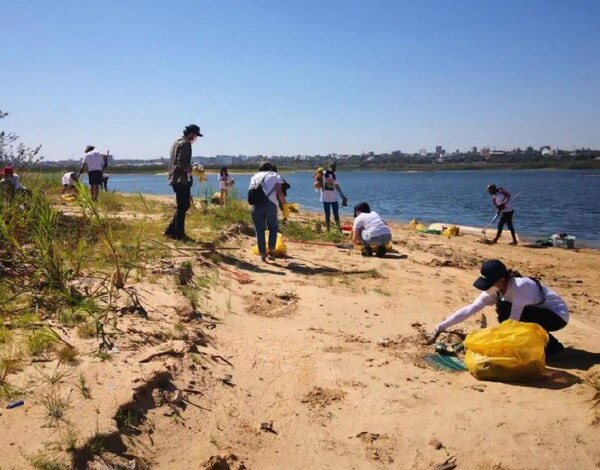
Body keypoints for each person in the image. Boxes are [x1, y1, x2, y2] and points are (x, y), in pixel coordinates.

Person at [429, 259, 569, 357]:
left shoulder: (521, 287)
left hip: (556, 316)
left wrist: (492, 344)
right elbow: (471, 309)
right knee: (503, 309)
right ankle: (540, 343)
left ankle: (553, 347)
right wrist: (441, 326)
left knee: (507, 312)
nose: (487, 286)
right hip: (534, 313)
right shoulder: (495, 290)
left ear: (501, 280)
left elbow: (513, 323)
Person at [165, 124, 203, 241]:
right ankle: (179, 234)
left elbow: (178, 161)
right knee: (183, 206)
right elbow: (181, 163)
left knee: (182, 206)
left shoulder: (176, 141)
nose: (195, 138)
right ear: (191, 134)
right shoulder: (185, 144)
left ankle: (170, 231)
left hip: (174, 178)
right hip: (181, 180)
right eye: (196, 135)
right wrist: (194, 170)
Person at [248, 162, 286, 262]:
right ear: (270, 168)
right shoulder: (275, 175)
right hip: (270, 205)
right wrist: (285, 206)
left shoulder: (254, 177)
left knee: (259, 229)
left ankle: (263, 254)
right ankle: (272, 251)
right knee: (273, 227)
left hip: (255, 205)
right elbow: (280, 193)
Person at [319, 162, 347, 230]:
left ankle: (338, 229)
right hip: (325, 198)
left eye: (335, 167)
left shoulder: (334, 175)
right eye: (332, 167)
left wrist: (342, 195)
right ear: (329, 167)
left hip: (334, 198)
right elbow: (316, 178)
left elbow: (337, 186)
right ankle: (328, 229)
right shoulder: (323, 173)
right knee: (327, 214)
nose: (334, 168)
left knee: (336, 214)